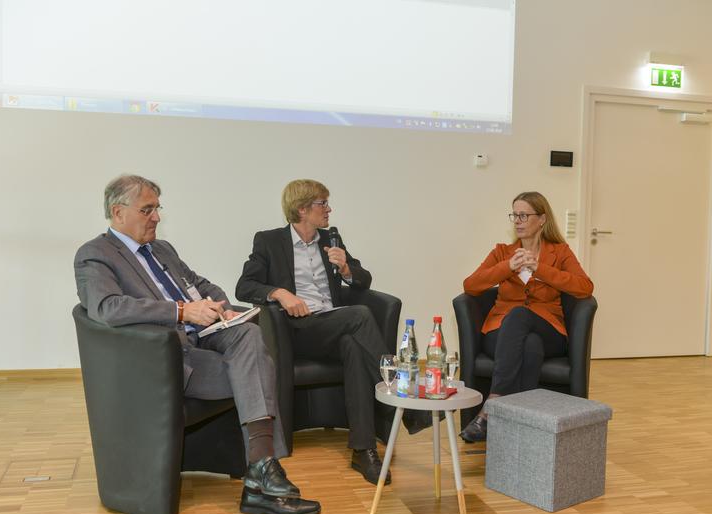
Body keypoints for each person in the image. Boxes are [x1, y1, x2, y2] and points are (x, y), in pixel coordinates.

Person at [73, 174, 320, 514]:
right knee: (257, 370)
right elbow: (108, 307)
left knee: (249, 334)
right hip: (167, 356)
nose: (157, 217)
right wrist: (180, 311)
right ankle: (261, 476)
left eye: (157, 208)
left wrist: (223, 307)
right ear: (118, 212)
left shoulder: (162, 249)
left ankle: (260, 470)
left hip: (203, 335)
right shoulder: (95, 254)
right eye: (147, 209)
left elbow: (198, 283)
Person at [235, 179, 429, 486]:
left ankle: (363, 450)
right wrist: (280, 293)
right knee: (360, 316)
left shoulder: (331, 239)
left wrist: (347, 269)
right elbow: (244, 286)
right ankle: (405, 398)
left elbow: (363, 279)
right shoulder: (269, 241)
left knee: (354, 344)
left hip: (336, 324)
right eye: (322, 204)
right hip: (299, 329)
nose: (329, 209)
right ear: (302, 209)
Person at [458, 191, 594, 442]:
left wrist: (539, 268)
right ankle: (523, 427)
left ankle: (492, 406)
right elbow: (471, 286)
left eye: (524, 215)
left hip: (549, 327)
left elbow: (584, 287)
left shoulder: (560, 252)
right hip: (500, 329)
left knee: (521, 315)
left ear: (541, 219)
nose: (518, 221)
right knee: (530, 344)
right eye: (514, 215)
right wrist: (506, 267)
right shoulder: (502, 252)